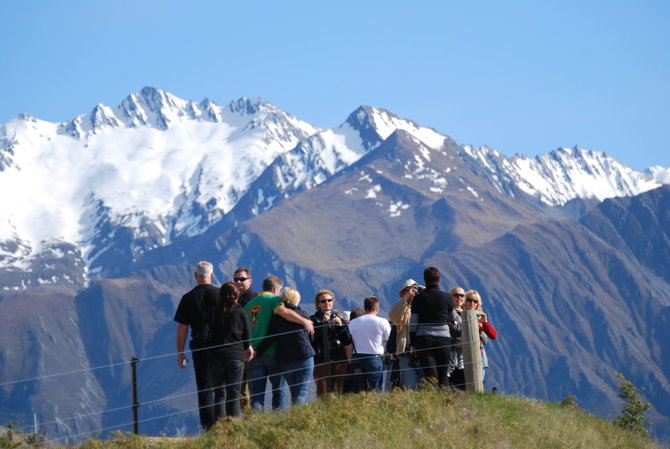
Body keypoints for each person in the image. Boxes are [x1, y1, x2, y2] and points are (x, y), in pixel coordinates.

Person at [244, 275, 314, 410]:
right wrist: (304, 321)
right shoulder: (274, 299)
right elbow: (283, 312)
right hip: (272, 352)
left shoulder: (249, 304)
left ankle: (256, 422)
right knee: (278, 389)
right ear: (276, 289)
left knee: (257, 394)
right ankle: (279, 419)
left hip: (254, 353)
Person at [174, 261, 219, 430]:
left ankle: (209, 427)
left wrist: (180, 352)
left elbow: (182, 328)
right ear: (212, 275)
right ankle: (225, 424)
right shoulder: (221, 295)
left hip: (200, 347)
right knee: (223, 386)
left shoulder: (188, 298)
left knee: (205, 387)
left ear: (195, 276)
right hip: (222, 347)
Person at [207, 282, 254, 419]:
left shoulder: (212, 312)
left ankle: (220, 426)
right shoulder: (240, 311)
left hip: (215, 357)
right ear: (236, 296)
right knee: (234, 392)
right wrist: (248, 349)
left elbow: (204, 335)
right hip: (235, 356)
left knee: (219, 393)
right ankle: (233, 424)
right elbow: (247, 336)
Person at [410, 267, 458, 387]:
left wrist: (412, 343)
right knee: (443, 374)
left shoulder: (418, 298)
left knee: (430, 375)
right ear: (439, 279)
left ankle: (432, 401)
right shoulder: (447, 297)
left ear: (425, 280)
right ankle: (445, 401)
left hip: (424, 339)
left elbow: (414, 323)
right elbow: (453, 318)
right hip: (444, 339)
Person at [310, 289, 352, 396]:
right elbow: (312, 339)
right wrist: (323, 324)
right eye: (323, 301)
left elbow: (347, 340)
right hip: (321, 360)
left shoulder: (338, 319)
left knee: (339, 390)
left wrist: (341, 327)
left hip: (338, 358)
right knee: (323, 392)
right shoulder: (313, 320)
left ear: (332, 302)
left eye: (329, 300)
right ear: (318, 304)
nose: (326, 303)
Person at [347, 296, 391, 393]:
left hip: (356, 358)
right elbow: (389, 339)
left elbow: (348, 342)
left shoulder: (353, 323)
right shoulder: (382, 322)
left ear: (364, 307)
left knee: (358, 391)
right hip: (374, 358)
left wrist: (350, 360)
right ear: (377, 308)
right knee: (375, 390)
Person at [388, 279, 422, 390]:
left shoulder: (423, 306)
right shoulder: (402, 308)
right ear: (403, 293)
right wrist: (406, 298)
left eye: (414, 290)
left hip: (421, 350)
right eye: (408, 290)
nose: (412, 293)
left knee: (425, 385)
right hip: (406, 350)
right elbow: (393, 316)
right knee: (410, 385)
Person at [464, 290, 498, 381]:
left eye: (475, 301)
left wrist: (485, 322)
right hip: (463, 354)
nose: (472, 303)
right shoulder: (460, 315)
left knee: (478, 380)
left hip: (479, 353)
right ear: (465, 301)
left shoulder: (480, 318)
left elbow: (493, 335)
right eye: (470, 300)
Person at [447, 287, 466, 390]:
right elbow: (453, 331)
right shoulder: (447, 312)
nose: (459, 298)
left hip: (464, 354)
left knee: (463, 382)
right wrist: (467, 329)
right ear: (451, 297)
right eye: (456, 295)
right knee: (449, 382)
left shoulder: (468, 313)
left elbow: (484, 337)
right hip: (450, 352)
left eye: (462, 295)